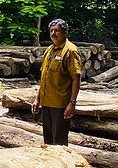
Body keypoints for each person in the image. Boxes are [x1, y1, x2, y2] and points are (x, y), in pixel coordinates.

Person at [33, 18, 83, 146]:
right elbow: (44, 77)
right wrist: (37, 99)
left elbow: (75, 79)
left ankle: (62, 165)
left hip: (60, 105)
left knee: (59, 143)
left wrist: (72, 103)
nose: (53, 33)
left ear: (64, 33)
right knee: (48, 142)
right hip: (46, 103)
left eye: (57, 31)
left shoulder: (70, 51)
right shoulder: (49, 50)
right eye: (51, 31)